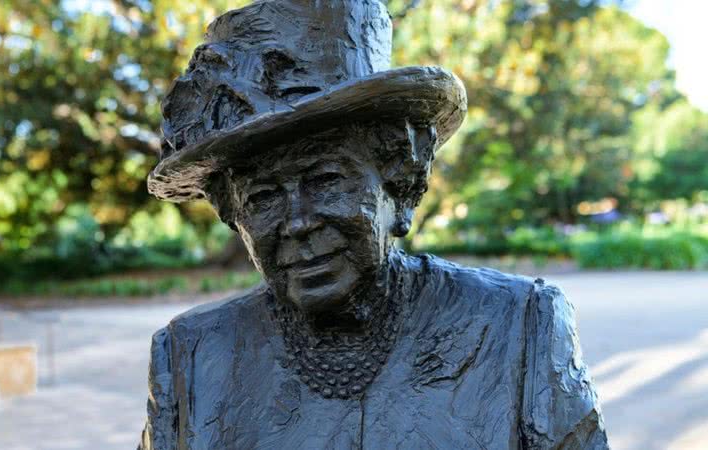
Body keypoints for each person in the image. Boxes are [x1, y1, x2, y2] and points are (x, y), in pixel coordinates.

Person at [139, 1, 608, 449]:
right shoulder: (190, 357)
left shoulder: (519, 327)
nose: (298, 222)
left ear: (398, 183)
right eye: (262, 198)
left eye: (326, 179)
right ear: (235, 217)